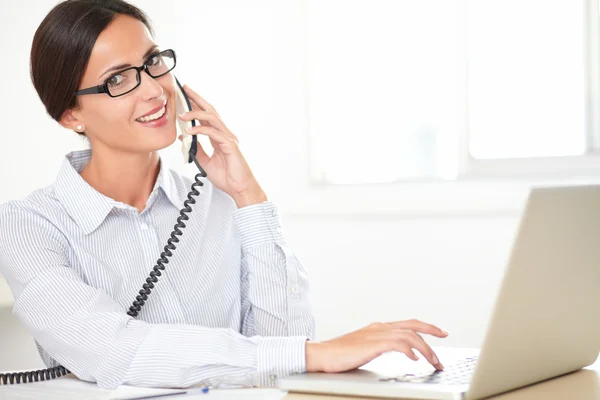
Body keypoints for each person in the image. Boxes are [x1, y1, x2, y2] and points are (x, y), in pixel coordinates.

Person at [0, 0, 448, 390]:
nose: (156, 90)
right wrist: (315, 354)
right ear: (70, 115)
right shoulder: (28, 227)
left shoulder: (215, 200)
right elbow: (114, 351)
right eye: (119, 80)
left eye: (153, 61)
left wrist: (247, 196)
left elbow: (283, 343)